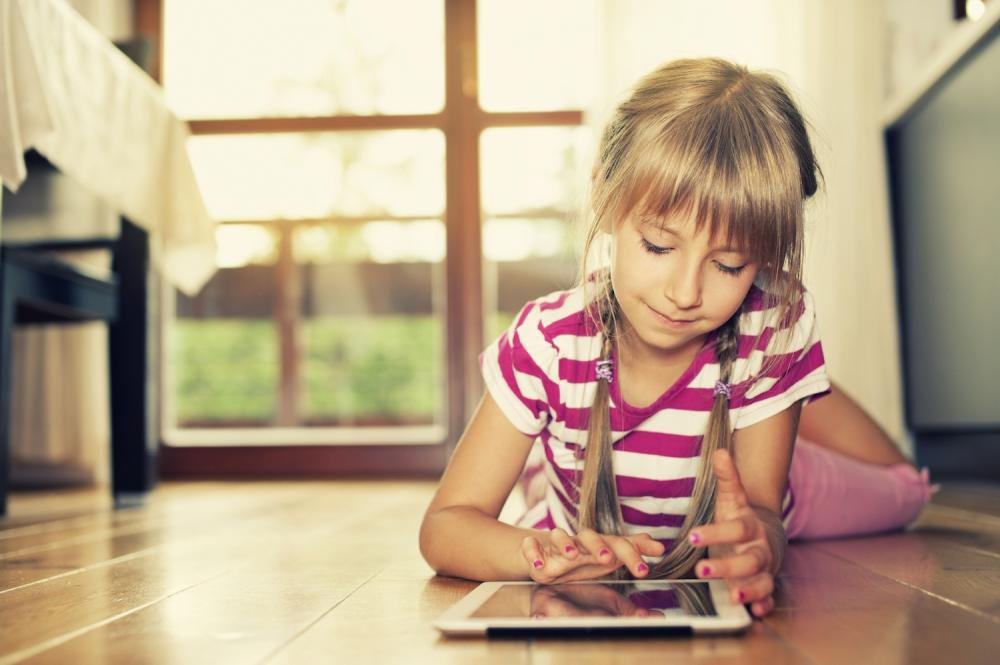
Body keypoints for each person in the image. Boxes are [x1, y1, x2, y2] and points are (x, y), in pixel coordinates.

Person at [419, 57, 936, 619]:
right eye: (660, 247)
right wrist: (539, 552)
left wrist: (760, 538)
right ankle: (561, 470)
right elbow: (445, 528)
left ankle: (781, 397)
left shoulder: (772, 324)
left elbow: (764, 512)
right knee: (559, 479)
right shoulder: (546, 342)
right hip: (591, 472)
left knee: (907, 490)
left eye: (730, 265)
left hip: (774, 460)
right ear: (606, 199)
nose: (685, 293)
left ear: (760, 260)